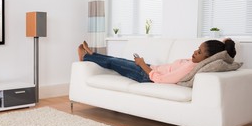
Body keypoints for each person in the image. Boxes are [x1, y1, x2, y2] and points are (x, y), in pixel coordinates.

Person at [78, 39, 237, 84]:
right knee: (117, 59)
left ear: (207, 58)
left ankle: (85, 57)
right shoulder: (194, 62)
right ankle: (92, 54)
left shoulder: (190, 67)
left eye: (200, 52)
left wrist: (141, 65)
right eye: (197, 48)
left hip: (145, 75)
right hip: (148, 68)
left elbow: (161, 79)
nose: (195, 52)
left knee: (113, 62)